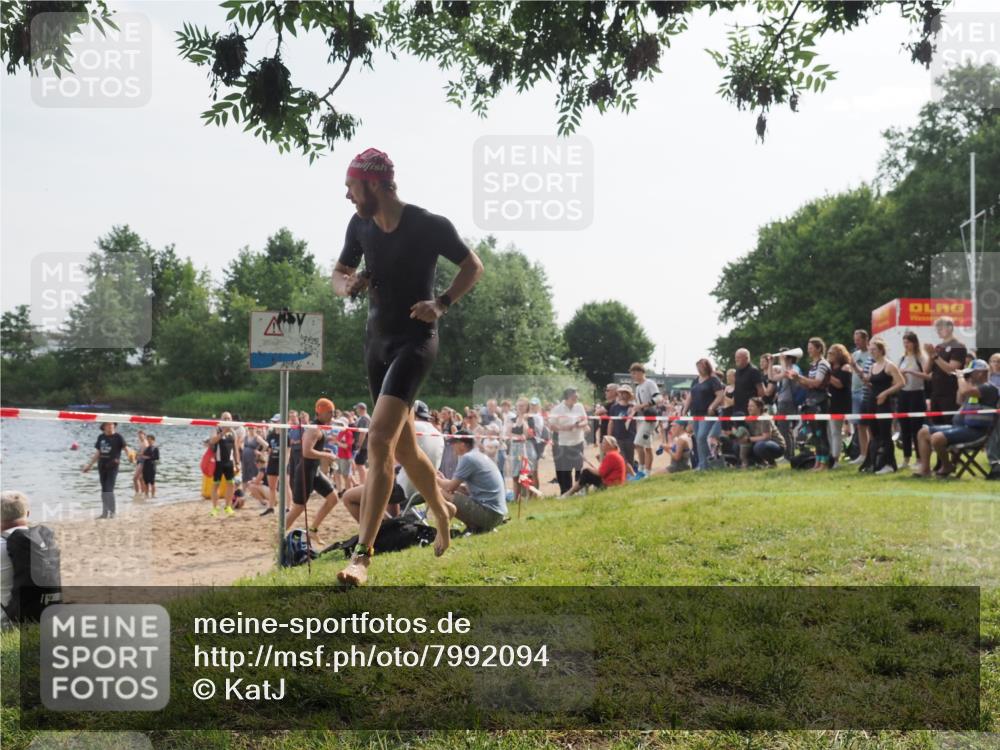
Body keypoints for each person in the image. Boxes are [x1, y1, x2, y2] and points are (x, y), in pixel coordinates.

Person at [332, 147, 484, 585]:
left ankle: (362, 556)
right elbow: (340, 272)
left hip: (416, 342)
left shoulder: (427, 224)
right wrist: (349, 285)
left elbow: (473, 265)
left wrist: (443, 303)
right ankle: (443, 511)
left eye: (351, 186)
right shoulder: (360, 225)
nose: (347, 195)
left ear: (374, 184)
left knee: (378, 441)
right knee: (402, 449)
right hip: (376, 343)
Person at [913, 359, 998, 478]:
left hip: (977, 432)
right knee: (923, 432)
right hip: (963, 427)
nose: (968, 375)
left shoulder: (989, 388)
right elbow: (959, 399)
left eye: (970, 373)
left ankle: (947, 465)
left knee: (937, 438)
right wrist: (965, 380)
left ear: (980, 373)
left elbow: (964, 391)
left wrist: (960, 377)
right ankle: (925, 469)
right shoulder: (974, 388)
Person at [286, 398, 341, 545]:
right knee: (298, 507)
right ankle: (278, 535)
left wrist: (324, 451)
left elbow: (311, 449)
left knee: (333, 498)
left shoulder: (319, 428)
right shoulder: (314, 429)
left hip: (313, 470)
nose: (332, 416)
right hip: (305, 471)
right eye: (330, 413)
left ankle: (313, 530)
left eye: (333, 412)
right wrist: (327, 455)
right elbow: (306, 452)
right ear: (321, 413)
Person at [436, 430, 507, 533]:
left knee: (442, 494)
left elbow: (450, 487)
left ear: (462, 444)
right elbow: (462, 488)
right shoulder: (477, 455)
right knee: (449, 492)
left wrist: (434, 479)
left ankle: (473, 528)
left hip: (489, 515)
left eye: (454, 443)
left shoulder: (468, 458)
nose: (452, 446)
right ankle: (476, 528)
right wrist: (443, 481)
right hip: (497, 515)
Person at [858, 338, 905, 474]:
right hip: (872, 402)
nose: (871, 352)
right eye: (870, 350)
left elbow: (901, 382)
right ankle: (875, 462)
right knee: (875, 434)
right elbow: (873, 384)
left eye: (874, 349)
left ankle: (889, 464)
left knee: (885, 434)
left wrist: (885, 393)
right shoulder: (872, 366)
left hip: (884, 403)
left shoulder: (889, 365)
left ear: (881, 350)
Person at [788, 338, 832, 471]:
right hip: (812, 400)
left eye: (811, 347)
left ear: (819, 349)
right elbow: (808, 384)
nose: (809, 350)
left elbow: (817, 383)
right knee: (815, 434)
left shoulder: (823, 364)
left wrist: (800, 378)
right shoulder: (813, 365)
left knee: (821, 433)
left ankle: (824, 463)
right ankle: (817, 462)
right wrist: (797, 379)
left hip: (821, 401)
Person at [924, 316, 967, 424]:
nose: (938, 331)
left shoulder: (958, 346)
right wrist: (930, 355)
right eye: (937, 328)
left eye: (940, 328)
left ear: (950, 328)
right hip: (936, 393)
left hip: (950, 394)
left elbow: (951, 370)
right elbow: (927, 370)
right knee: (936, 424)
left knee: (950, 423)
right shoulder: (938, 347)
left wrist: (935, 356)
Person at [82, 422, 129, 519]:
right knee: (104, 490)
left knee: (108, 489)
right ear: (103, 427)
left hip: (113, 466)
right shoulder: (101, 437)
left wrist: (131, 457)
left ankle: (112, 512)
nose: (111, 426)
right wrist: (89, 465)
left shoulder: (118, 437)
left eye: (112, 424)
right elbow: (98, 452)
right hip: (102, 466)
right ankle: (104, 513)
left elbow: (126, 449)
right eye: (108, 424)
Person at [683, 358, 724, 470]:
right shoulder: (696, 380)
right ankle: (703, 464)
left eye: (701, 366)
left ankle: (706, 464)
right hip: (695, 413)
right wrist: (685, 409)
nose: (699, 369)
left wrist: (712, 406)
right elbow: (690, 396)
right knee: (698, 438)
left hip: (708, 414)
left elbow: (720, 395)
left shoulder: (713, 380)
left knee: (701, 437)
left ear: (707, 367)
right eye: (698, 366)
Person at [548, 387, 590, 495]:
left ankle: (579, 490)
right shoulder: (557, 409)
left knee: (578, 467)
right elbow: (551, 425)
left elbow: (585, 420)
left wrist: (578, 425)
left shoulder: (579, 406)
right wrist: (564, 428)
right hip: (563, 443)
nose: (577, 397)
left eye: (577, 395)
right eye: (574, 395)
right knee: (565, 470)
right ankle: (566, 491)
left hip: (578, 441)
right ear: (568, 397)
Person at [897, 331, 930, 468]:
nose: (906, 345)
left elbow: (927, 375)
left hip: (917, 394)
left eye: (908, 342)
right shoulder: (902, 358)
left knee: (916, 427)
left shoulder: (921, 357)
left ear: (915, 343)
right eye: (904, 342)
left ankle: (919, 458)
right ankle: (906, 458)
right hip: (903, 394)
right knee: (904, 427)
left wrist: (911, 372)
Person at [561, 435, 628, 496]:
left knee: (586, 472)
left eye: (604, 443)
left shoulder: (611, 455)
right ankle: (579, 492)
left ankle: (569, 493)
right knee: (588, 473)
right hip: (615, 483)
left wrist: (588, 468)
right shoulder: (614, 454)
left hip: (611, 485)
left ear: (610, 445)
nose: (601, 444)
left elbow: (600, 473)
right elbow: (603, 471)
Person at [768, 348, 803, 461]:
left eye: (782, 357)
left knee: (785, 429)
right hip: (782, 402)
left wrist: (782, 361)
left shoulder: (794, 368)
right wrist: (770, 363)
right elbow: (772, 378)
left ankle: (789, 455)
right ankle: (789, 454)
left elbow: (786, 374)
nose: (780, 359)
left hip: (789, 402)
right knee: (784, 429)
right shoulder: (786, 368)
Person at [208, 412, 241, 517]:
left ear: (231, 420)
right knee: (215, 485)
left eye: (228, 418)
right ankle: (215, 508)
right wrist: (223, 433)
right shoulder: (216, 429)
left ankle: (228, 506)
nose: (227, 420)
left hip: (229, 463)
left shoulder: (233, 432)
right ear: (221, 419)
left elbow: (236, 449)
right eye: (225, 418)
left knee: (230, 484)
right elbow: (212, 441)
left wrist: (237, 463)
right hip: (218, 462)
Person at [848, 329, 874, 464]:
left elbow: (865, 374)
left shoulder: (872, 354)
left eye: (858, 340)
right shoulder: (855, 354)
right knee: (859, 426)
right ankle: (863, 454)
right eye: (855, 339)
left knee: (869, 425)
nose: (856, 342)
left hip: (865, 392)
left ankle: (870, 453)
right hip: (854, 391)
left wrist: (854, 366)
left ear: (866, 339)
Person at [630, 363, 660, 474]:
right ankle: (646, 472)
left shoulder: (649, 383)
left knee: (638, 443)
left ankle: (641, 471)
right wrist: (634, 408)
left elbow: (658, 398)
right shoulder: (638, 387)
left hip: (650, 418)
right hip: (642, 419)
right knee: (647, 446)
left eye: (635, 373)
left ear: (642, 372)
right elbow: (638, 404)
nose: (633, 376)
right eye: (632, 374)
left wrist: (642, 405)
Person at [826, 344, 853, 466]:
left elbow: (840, 384)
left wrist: (827, 375)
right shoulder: (830, 367)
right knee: (830, 431)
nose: (829, 355)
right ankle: (830, 455)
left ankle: (835, 459)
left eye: (832, 353)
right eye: (829, 353)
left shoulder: (845, 367)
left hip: (841, 402)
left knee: (836, 432)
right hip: (829, 402)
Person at [740, 397, 785, 468]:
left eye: (751, 406)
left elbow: (766, 437)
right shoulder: (748, 419)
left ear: (759, 407)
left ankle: (772, 463)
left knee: (759, 446)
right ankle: (758, 463)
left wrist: (748, 439)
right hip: (758, 442)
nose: (749, 408)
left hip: (776, 445)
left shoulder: (765, 418)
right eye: (748, 406)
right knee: (738, 446)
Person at [608, 384, 637, 469]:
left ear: (629, 395)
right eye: (621, 393)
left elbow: (636, 423)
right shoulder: (614, 407)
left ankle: (631, 478)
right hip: (618, 437)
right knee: (622, 459)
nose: (623, 395)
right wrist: (609, 437)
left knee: (630, 459)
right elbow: (611, 422)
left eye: (625, 393)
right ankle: (623, 477)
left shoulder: (633, 408)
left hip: (630, 437)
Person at [732, 348, 766, 414]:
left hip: (749, 409)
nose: (736, 359)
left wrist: (757, 407)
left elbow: (761, 390)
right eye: (735, 357)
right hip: (737, 408)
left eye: (738, 357)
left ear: (746, 358)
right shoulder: (737, 371)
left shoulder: (753, 371)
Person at [987, 352, 1000, 479]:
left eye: (998, 362)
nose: (995, 364)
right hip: (988, 409)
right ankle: (994, 462)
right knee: (992, 436)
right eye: (993, 361)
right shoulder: (987, 376)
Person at [353, 403, 371, 485]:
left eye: (357, 408)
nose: (356, 410)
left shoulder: (364, 419)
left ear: (361, 409)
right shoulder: (363, 418)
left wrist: (359, 445)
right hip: (364, 445)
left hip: (364, 445)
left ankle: (363, 484)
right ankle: (363, 483)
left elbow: (363, 433)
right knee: (360, 464)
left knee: (360, 464)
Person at [140, 434, 159, 499]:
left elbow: (156, 457)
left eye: (150, 439)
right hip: (145, 466)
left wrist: (147, 457)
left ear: (153, 440)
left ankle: (153, 496)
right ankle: (146, 496)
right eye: (148, 439)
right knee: (146, 482)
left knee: (152, 482)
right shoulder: (146, 448)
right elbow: (142, 456)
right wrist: (139, 456)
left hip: (152, 466)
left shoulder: (155, 448)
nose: (149, 440)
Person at [132, 430, 147, 496]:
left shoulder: (145, 443)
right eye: (139, 435)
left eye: (141, 435)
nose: (140, 437)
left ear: (144, 435)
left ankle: (137, 494)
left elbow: (144, 453)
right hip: (140, 461)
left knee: (135, 478)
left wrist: (136, 454)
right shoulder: (141, 442)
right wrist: (136, 456)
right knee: (141, 479)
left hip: (143, 462)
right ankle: (143, 493)